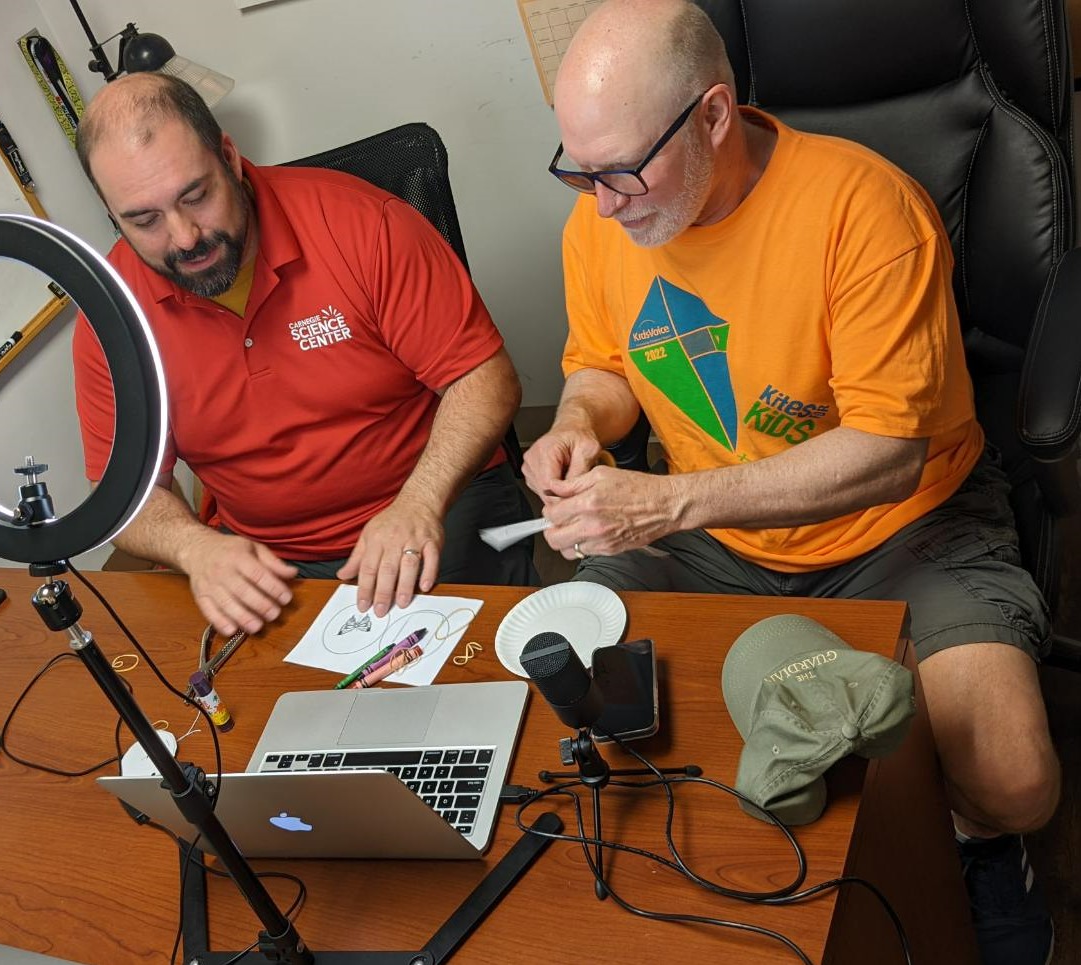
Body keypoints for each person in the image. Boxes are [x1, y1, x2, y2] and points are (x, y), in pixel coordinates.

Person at [522, 2, 1058, 962]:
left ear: (714, 115)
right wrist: (573, 426)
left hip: (906, 528)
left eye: (620, 170)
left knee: (1016, 780)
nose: (601, 202)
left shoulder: (864, 207)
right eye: (578, 170)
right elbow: (601, 366)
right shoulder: (601, 217)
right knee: (562, 707)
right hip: (703, 538)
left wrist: (667, 501)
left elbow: (889, 450)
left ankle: (975, 852)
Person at [72, 73, 536, 637]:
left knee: (471, 680)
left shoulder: (364, 224)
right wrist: (194, 548)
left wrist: (418, 504)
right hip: (267, 558)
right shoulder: (110, 318)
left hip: (430, 504)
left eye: (196, 196)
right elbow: (124, 496)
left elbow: (485, 378)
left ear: (229, 157)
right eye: (144, 220)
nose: (186, 237)